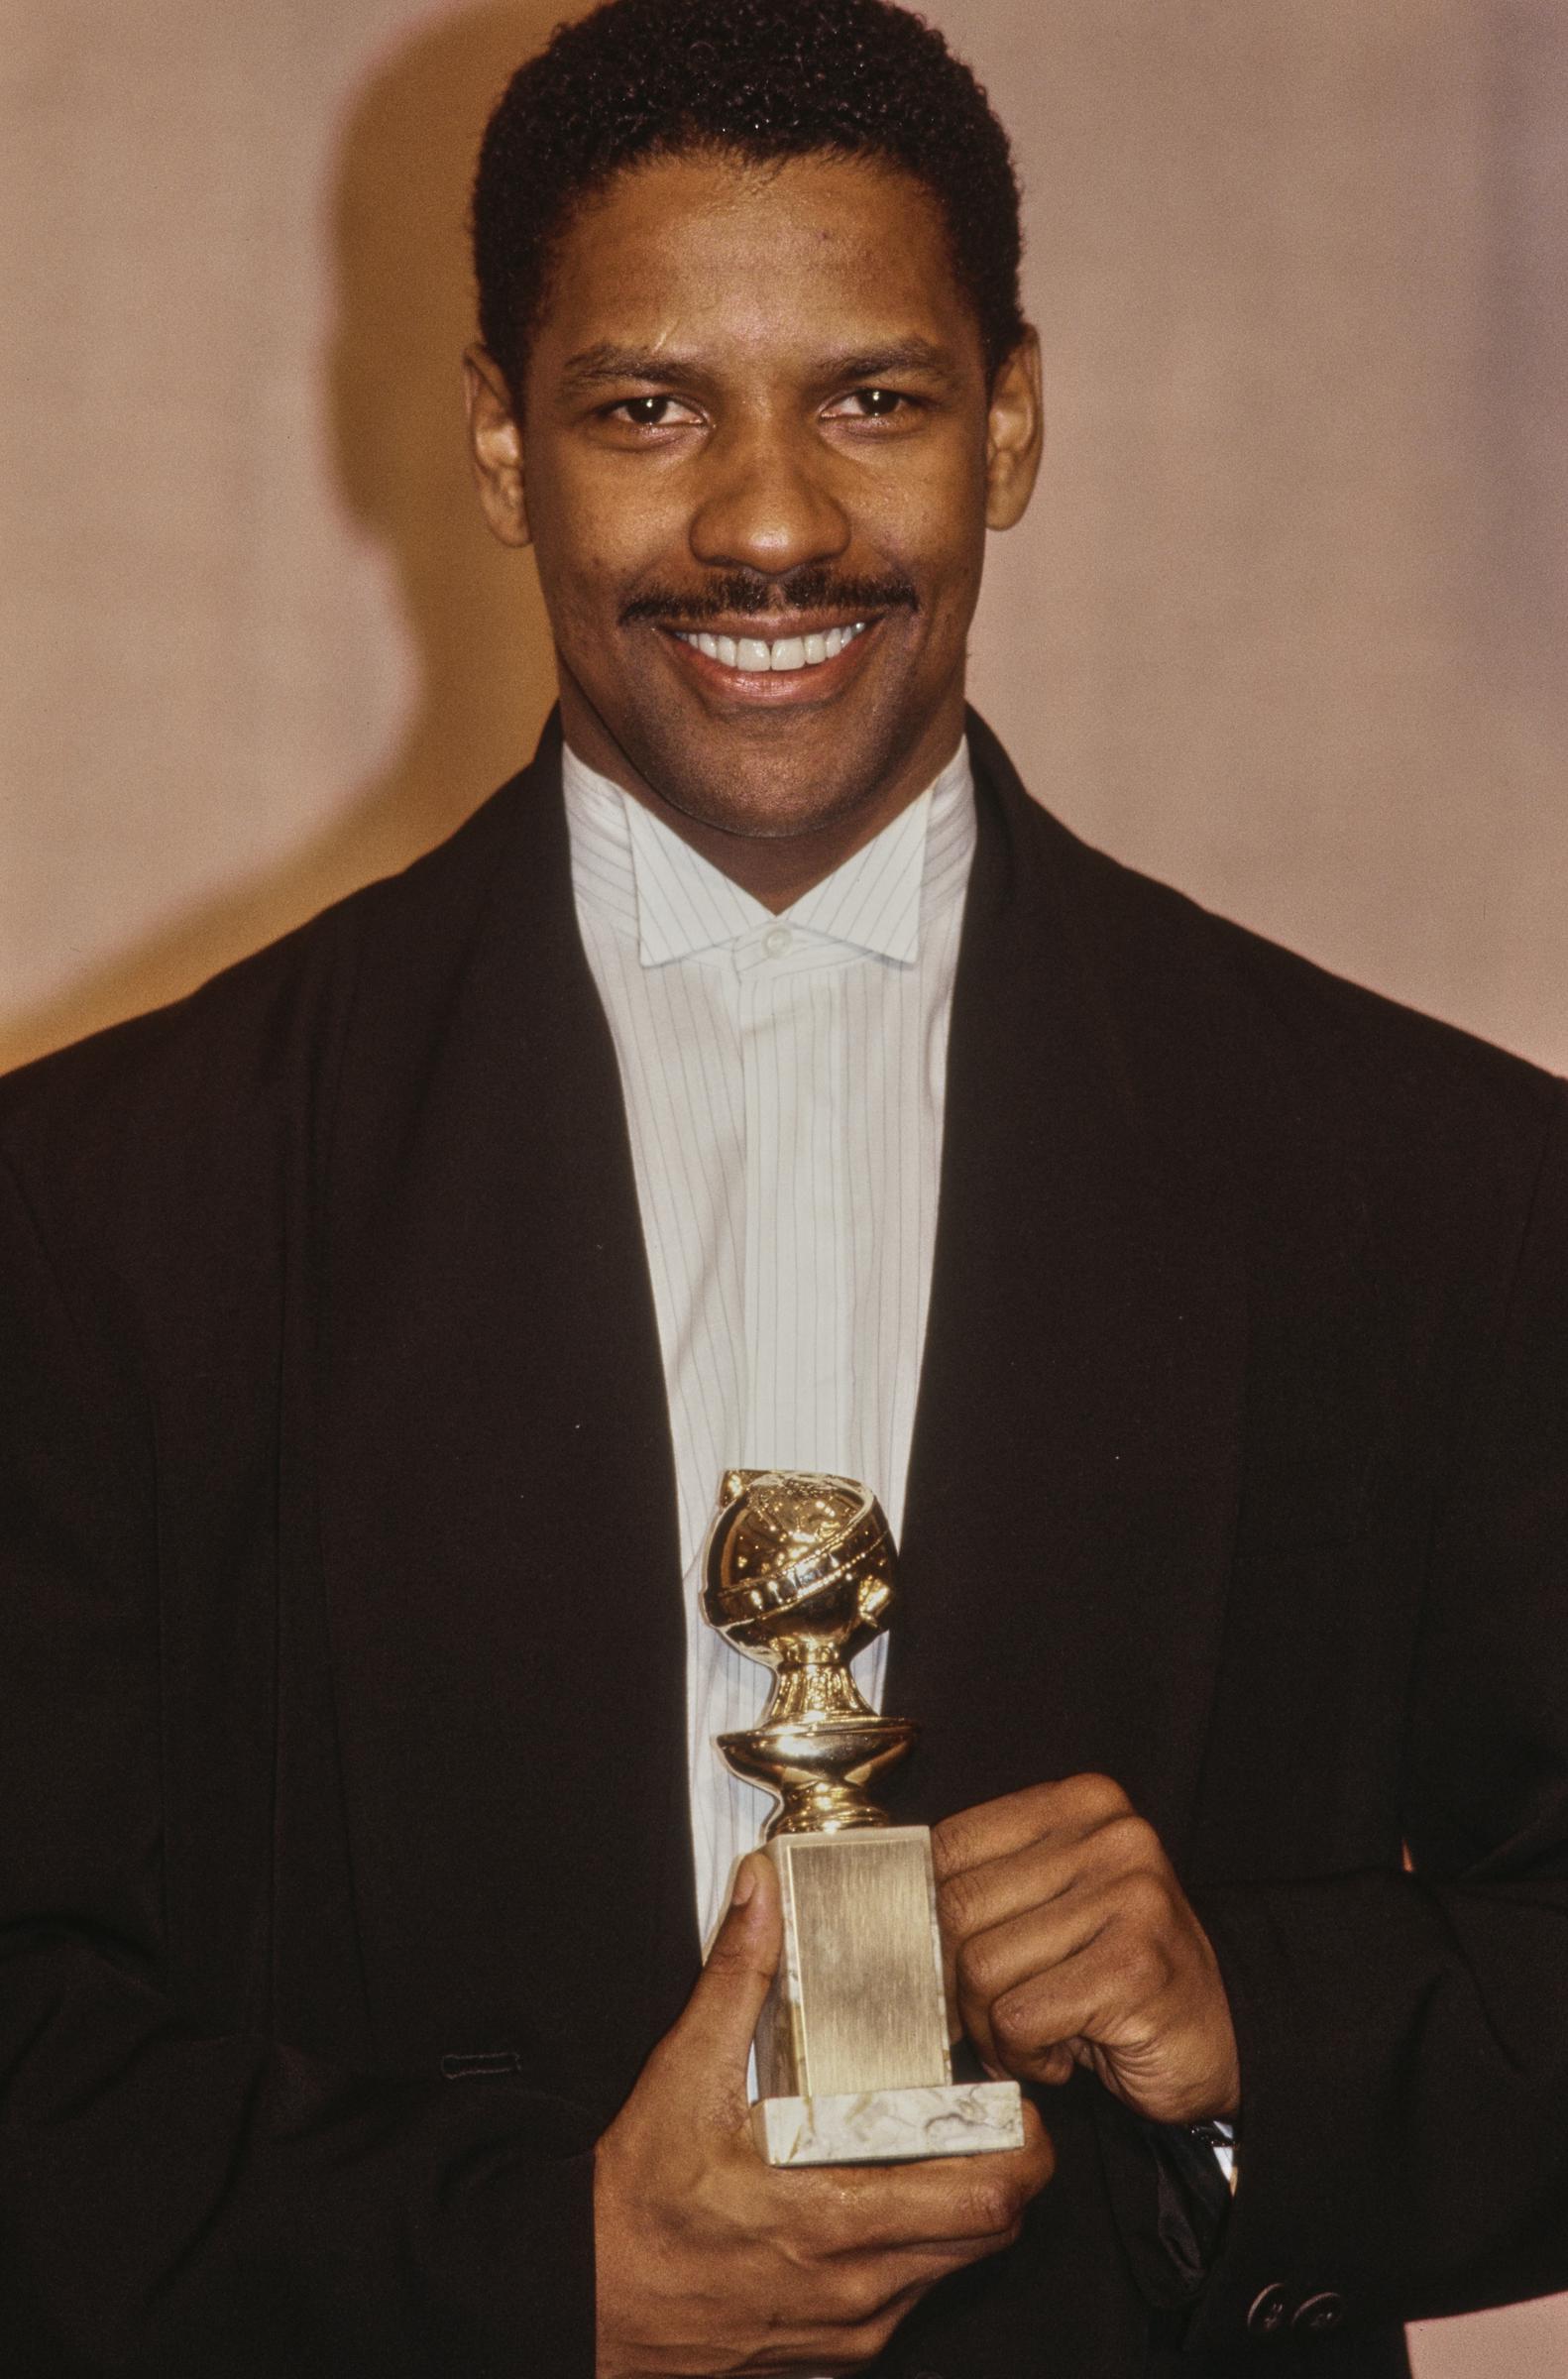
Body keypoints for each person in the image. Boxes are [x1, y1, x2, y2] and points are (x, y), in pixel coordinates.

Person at [1, 1, 1564, 2372]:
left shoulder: (1432, 1181)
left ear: (1009, 420)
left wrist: (1264, 2022)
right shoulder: (98, 1208)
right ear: (501, 448)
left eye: (870, 397)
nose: (766, 523)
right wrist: (552, 2277)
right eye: (648, 407)